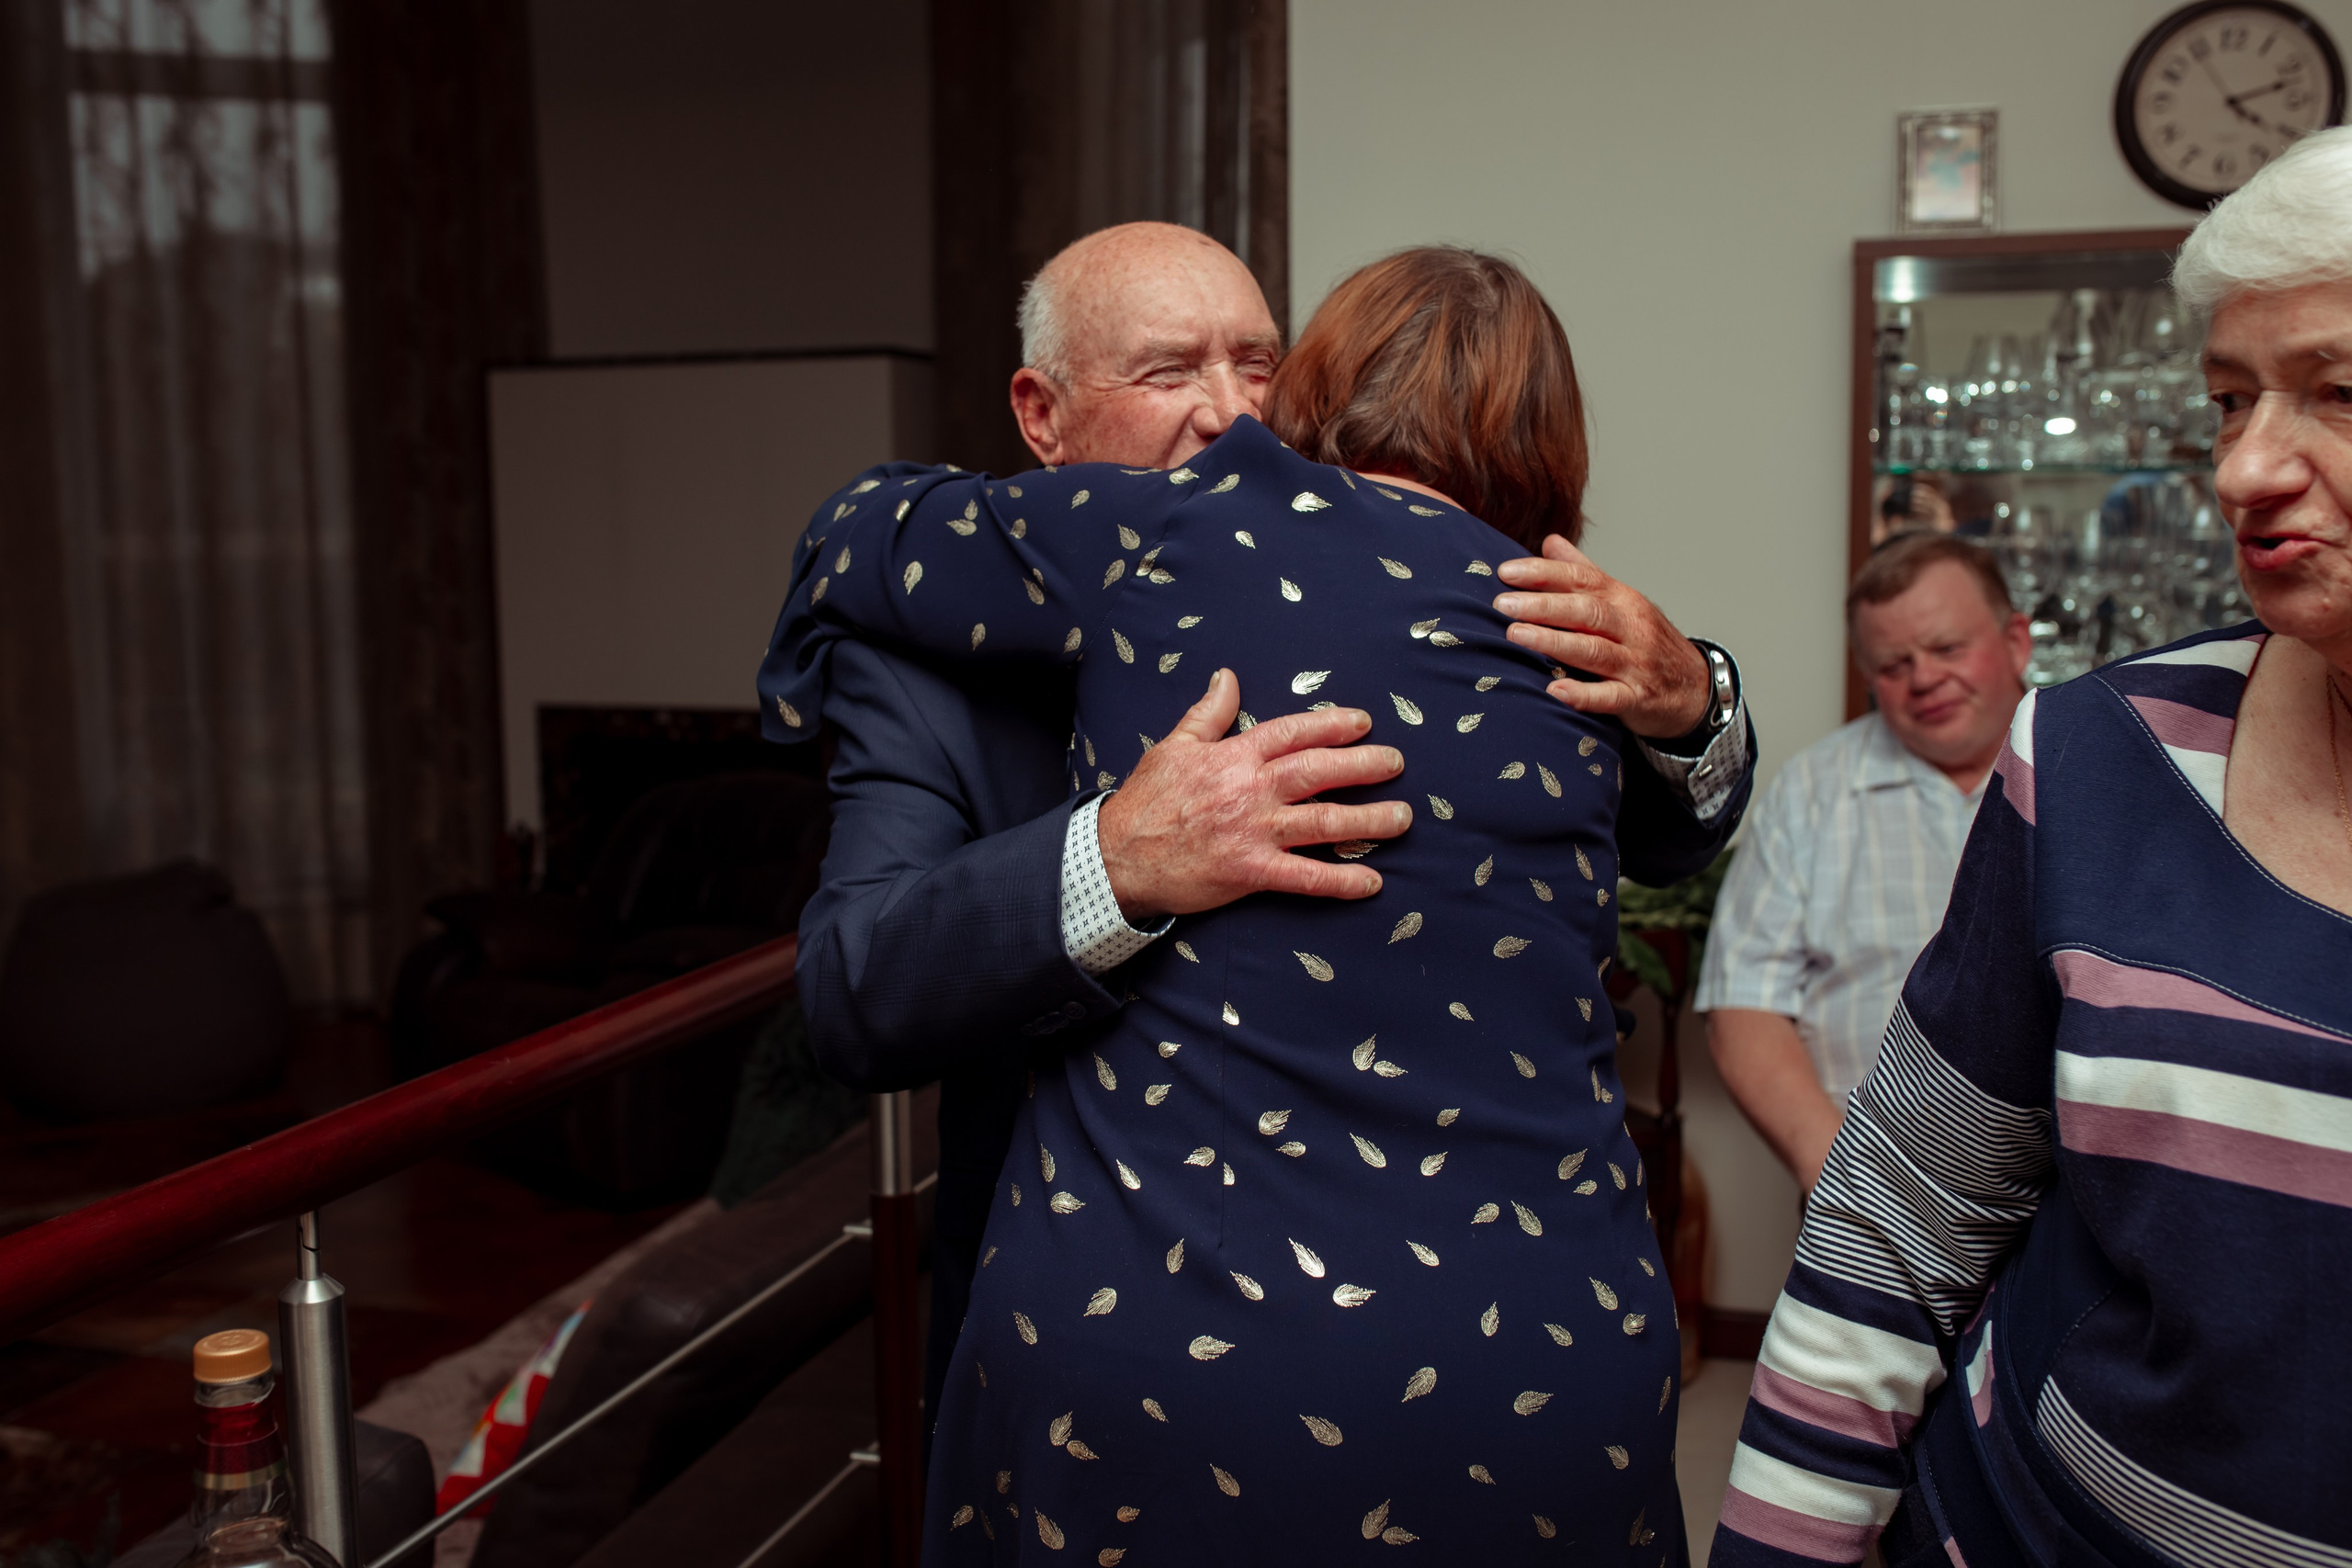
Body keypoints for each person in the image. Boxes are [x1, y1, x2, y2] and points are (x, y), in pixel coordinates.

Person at [763, 246, 1750, 1563]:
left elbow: (1673, 824)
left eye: (1259, 364)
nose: (1229, 411)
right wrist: (1109, 860)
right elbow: (851, 988)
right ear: (1040, 416)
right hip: (1145, 1328)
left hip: (1446, 1352)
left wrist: (1696, 695)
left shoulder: (1525, 612)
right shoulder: (929, 664)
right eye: (1168, 369)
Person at [1711, 128, 2352, 1568]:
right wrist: (1859, 1189)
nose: (2245, 467)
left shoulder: (2047, 745)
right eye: (2227, 400)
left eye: (2341, 392)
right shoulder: (2089, 761)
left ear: (2012, 637)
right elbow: (1886, 1187)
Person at [1696, 533, 2029, 1194]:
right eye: (1893, 664)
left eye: (1947, 648)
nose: (1924, 678)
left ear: (2017, 640)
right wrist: (1846, 1190)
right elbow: (1743, 1008)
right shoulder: (1812, 791)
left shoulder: (2097, 771)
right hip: (1864, 1198)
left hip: (2079, 1220)